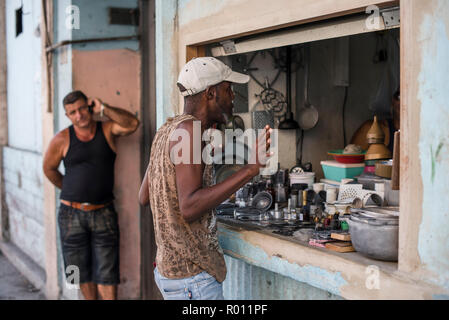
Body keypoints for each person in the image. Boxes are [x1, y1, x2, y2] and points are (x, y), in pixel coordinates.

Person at [139, 57, 273, 300]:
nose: (233, 97)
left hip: (170, 273)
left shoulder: (166, 130)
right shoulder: (190, 131)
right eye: (228, 89)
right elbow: (189, 207)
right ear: (211, 93)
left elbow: (144, 195)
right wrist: (250, 170)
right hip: (193, 281)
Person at [43, 91, 139, 300]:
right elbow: (48, 169)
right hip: (70, 215)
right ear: (68, 116)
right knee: (77, 271)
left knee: (107, 272)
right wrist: (69, 189)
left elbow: (132, 124)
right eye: (73, 112)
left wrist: (105, 108)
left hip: (103, 212)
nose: (79, 115)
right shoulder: (61, 139)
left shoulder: (106, 129)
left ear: (89, 106)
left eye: (81, 109)